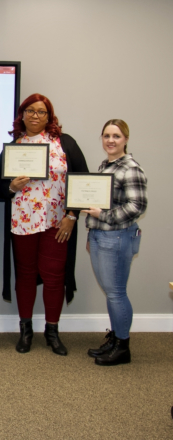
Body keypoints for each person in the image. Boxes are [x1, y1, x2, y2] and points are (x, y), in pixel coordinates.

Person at [0, 93, 88, 356]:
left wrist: (72, 216)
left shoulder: (64, 143)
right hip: (23, 222)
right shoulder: (14, 145)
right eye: (30, 111)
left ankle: (52, 331)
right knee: (24, 275)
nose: (35, 116)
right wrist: (11, 186)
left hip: (57, 223)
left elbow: (82, 181)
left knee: (54, 276)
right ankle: (26, 331)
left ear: (50, 116)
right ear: (22, 114)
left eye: (42, 112)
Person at [83, 119, 147, 366]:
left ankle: (123, 347)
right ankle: (115, 339)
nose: (111, 140)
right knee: (111, 293)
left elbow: (137, 206)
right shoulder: (107, 165)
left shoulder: (130, 168)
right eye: (107, 135)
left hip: (118, 236)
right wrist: (92, 233)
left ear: (126, 139)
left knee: (117, 293)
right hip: (102, 236)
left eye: (116, 136)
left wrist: (103, 217)